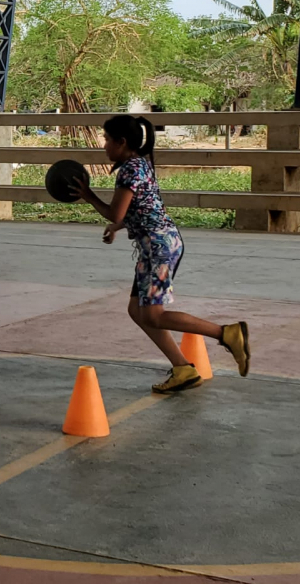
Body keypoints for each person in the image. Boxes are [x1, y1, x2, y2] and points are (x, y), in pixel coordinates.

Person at [72, 114, 250, 393]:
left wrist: (88, 195)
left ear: (121, 142)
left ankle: (227, 333)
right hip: (157, 244)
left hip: (159, 248)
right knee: (137, 310)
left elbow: (115, 210)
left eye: (106, 139)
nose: (103, 145)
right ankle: (182, 369)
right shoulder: (140, 164)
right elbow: (141, 208)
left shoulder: (129, 170)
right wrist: (119, 226)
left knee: (153, 315)